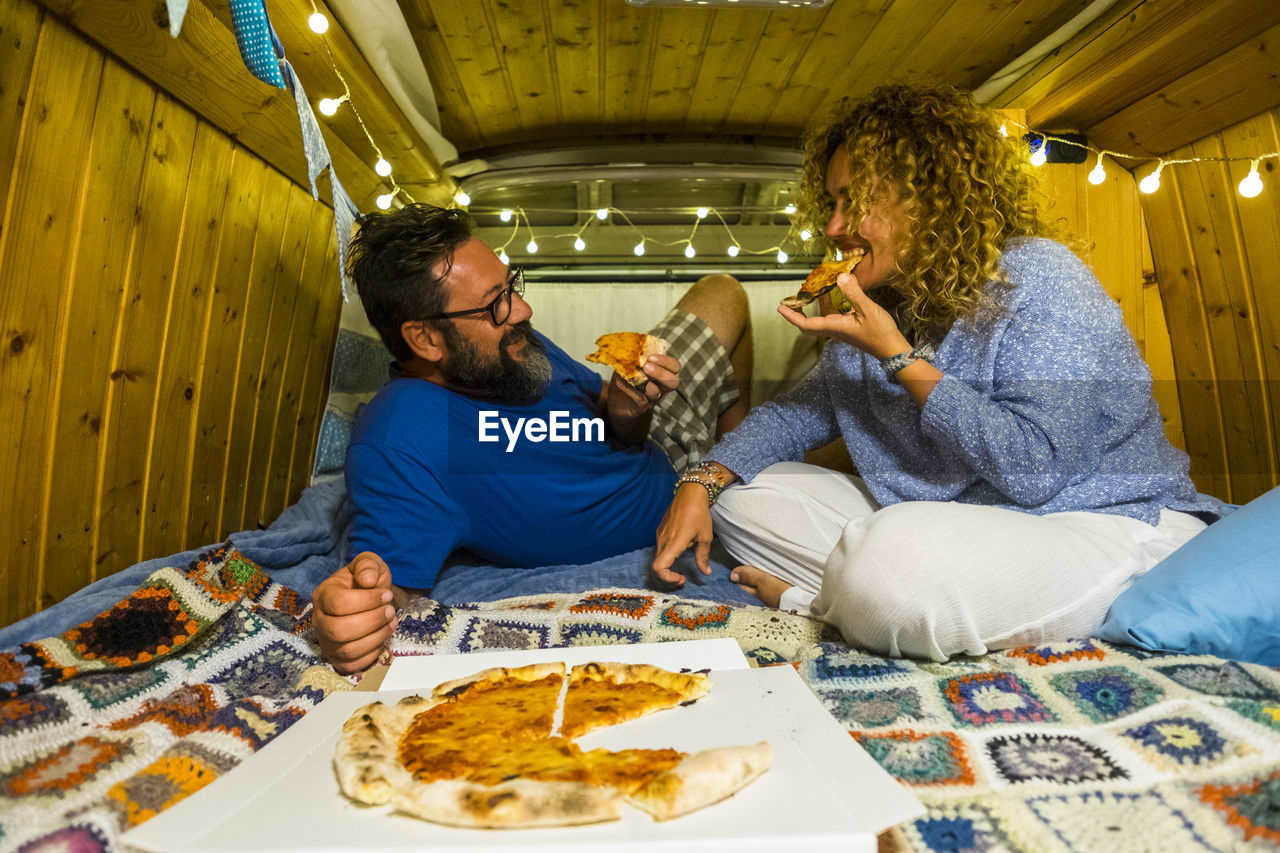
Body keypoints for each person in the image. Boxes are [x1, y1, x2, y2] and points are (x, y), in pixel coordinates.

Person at [651, 84, 1221, 662]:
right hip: (957, 522)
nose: (834, 226)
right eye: (832, 204)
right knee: (739, 498)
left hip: (1094, 521)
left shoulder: (1042, 278)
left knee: (895, 562)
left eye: (855, 201)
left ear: (925, 200)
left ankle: (817, 601)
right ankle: (872, 593)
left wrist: (899, 358)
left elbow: (1033, 471)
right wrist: (702, 478)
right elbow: (792, 417)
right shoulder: (878, 304)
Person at [312, 204, 753, 673]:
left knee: (722, 292)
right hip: (670, 504)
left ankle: (734, 453)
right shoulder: (400, 441)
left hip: (662, 435)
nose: (522, 309)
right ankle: (737, 485)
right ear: (425, 340)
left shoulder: (514, 339)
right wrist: (350, 614)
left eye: (511, 285)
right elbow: (388, 591)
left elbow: (604, 404)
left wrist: (628, 409)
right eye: (494, 303)